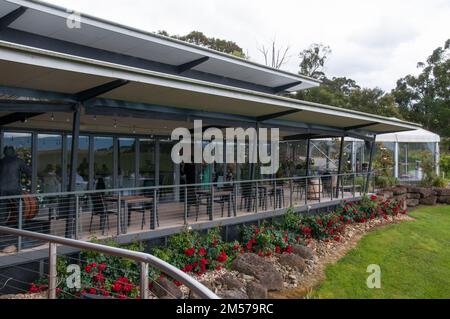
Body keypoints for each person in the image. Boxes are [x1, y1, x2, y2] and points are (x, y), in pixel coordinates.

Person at [0, 146, 32, 226]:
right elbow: (29, 172)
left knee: (3, 208)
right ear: (13, 152)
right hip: (14, 188)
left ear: (4, 152)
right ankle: (20, 226)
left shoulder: (1, 161)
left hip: (1, 189)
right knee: (20, 206)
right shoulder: (18, 161)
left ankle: (2, 227)